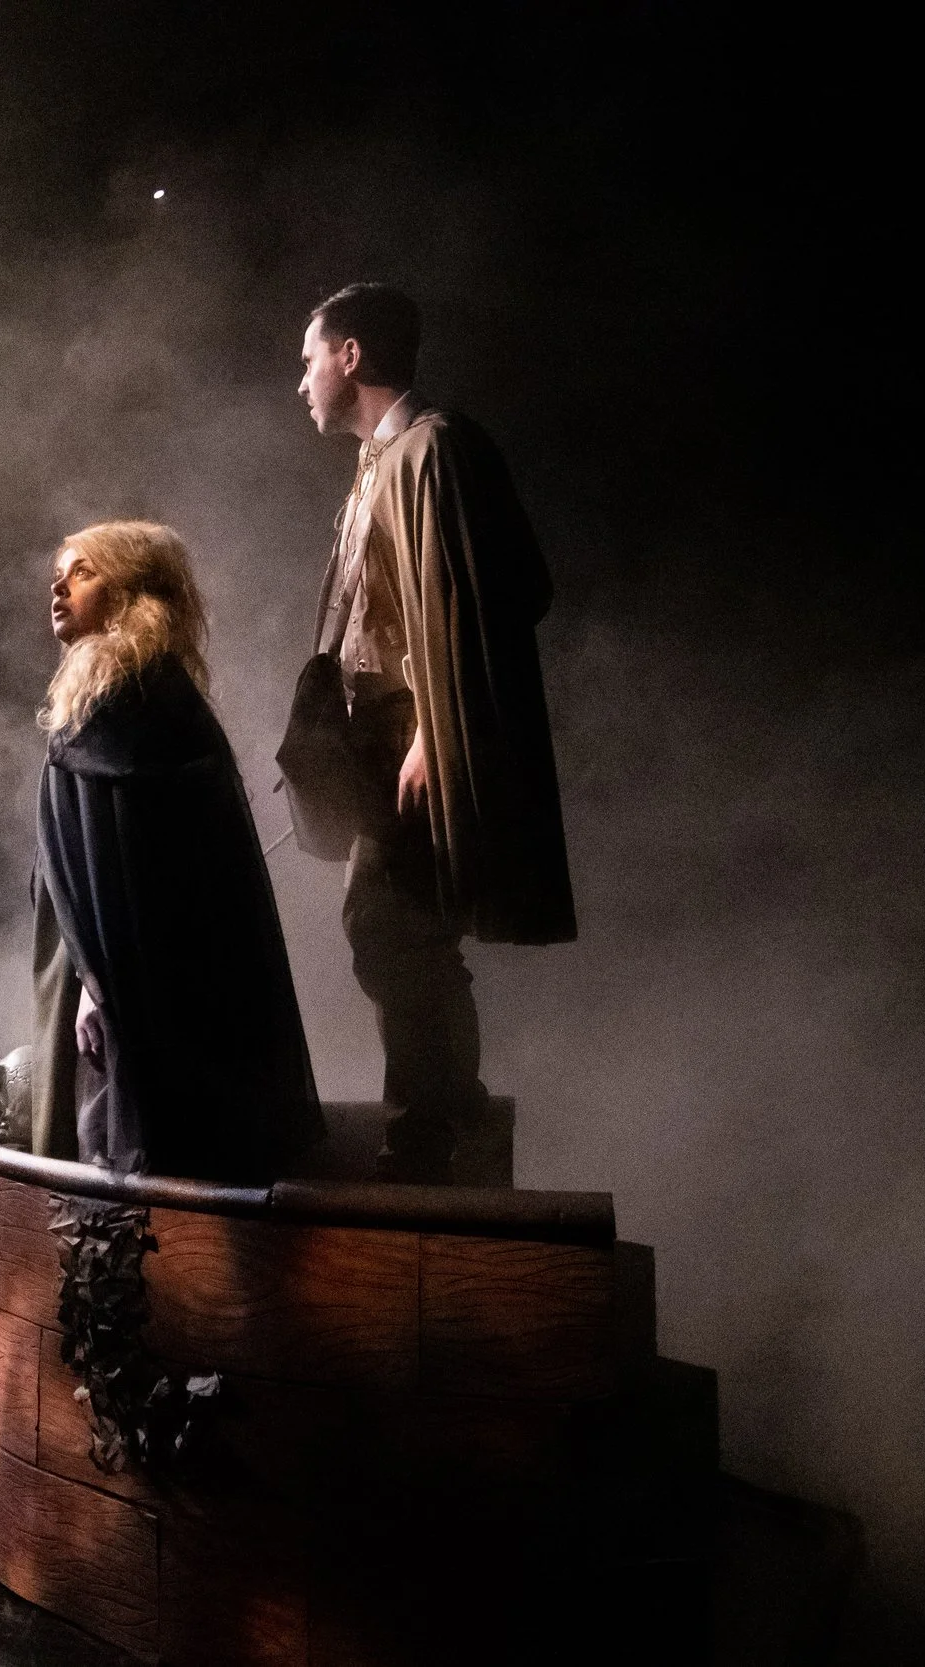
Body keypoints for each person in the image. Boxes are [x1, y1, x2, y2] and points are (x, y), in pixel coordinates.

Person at [293, 283, 576, 1183]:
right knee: (396, 926)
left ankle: (437, 1126)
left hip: (412, 732)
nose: (300, 381)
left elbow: (498, 593)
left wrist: (431, 727)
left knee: (389, 922)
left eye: (310, 359)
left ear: (351, 356)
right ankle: (448, 1113)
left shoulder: (436, 448)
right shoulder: (379, 463)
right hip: (375, 735)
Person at [27, 520, 323, 1181]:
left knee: (136, 1160)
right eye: (61, 570)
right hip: (108, 971)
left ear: (131, 595)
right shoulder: (116, 696)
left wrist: (94, 981)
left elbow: (137, 874)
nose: (59, 584)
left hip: (139, 984)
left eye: (84, 571)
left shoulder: (132, 702)